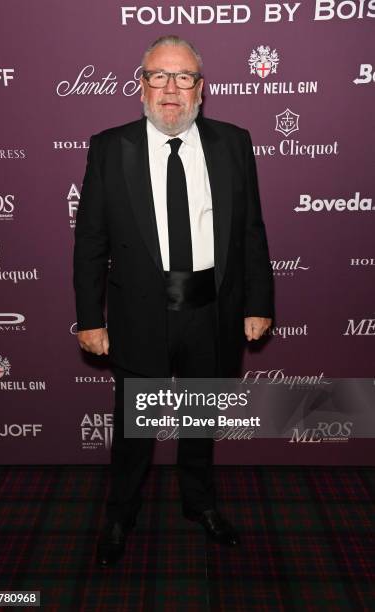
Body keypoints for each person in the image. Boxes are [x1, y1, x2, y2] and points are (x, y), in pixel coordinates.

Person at [73, 35, 273, 567]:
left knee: (200, 419)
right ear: (140, 84)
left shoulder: (234, 142)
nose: (169, 89)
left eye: (182, 77)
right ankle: (121, 512)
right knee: (135, 426)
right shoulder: (110, 147)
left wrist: (257, 303)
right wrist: (89, 318)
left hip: (213, 311)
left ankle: (199, 503)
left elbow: (250, 231)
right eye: (157, 76)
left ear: (200, 89)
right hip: (141, 312)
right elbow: (90, 241)